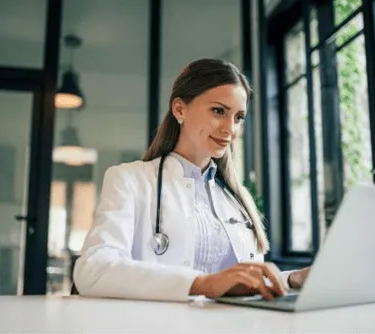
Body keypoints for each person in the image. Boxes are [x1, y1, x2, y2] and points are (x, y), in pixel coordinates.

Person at [73, 58, 310, 302]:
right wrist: (203, 284)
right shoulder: (129, 180)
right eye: (219, 111)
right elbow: (93, 270)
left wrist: (292, 279)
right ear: (179, 109)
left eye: (239, 117)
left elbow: (245, 282)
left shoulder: (237, 199)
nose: (230, 129)